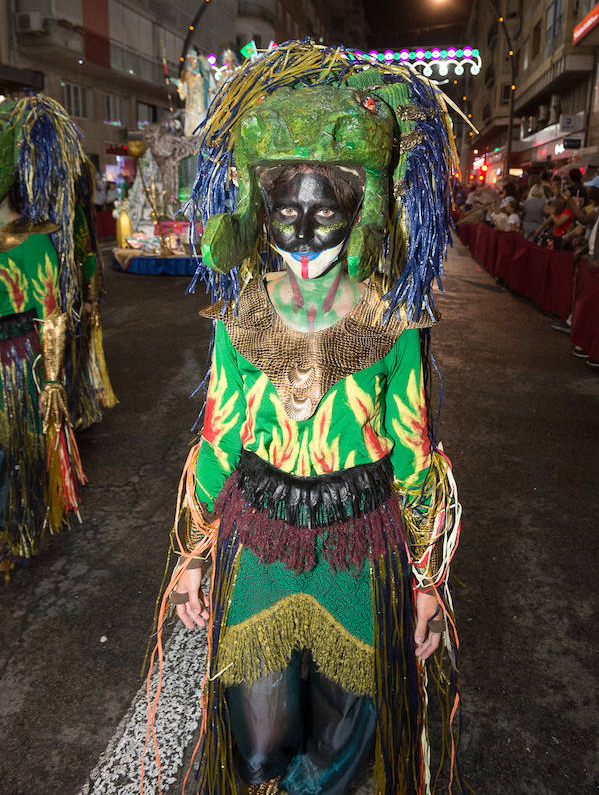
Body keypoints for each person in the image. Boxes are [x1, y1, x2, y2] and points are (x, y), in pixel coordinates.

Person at [146, 42, 463, 795]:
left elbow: (415, 459)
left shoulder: (394, 325)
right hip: (256, 549)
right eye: (287, 209)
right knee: (256, 740)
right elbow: (218, 441)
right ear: (262, 211)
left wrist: (425, 582)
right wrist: (192, 557)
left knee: (342, 747)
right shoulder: (238, 318)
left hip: (361, 553)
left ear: (362, 211)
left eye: (329, 208)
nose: (306, 229)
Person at [0, 95, 116, 579]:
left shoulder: (34, 241)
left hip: (16, 366)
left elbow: (51, 316)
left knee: (15, 458)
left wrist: (50, 383)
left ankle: (13, 533)